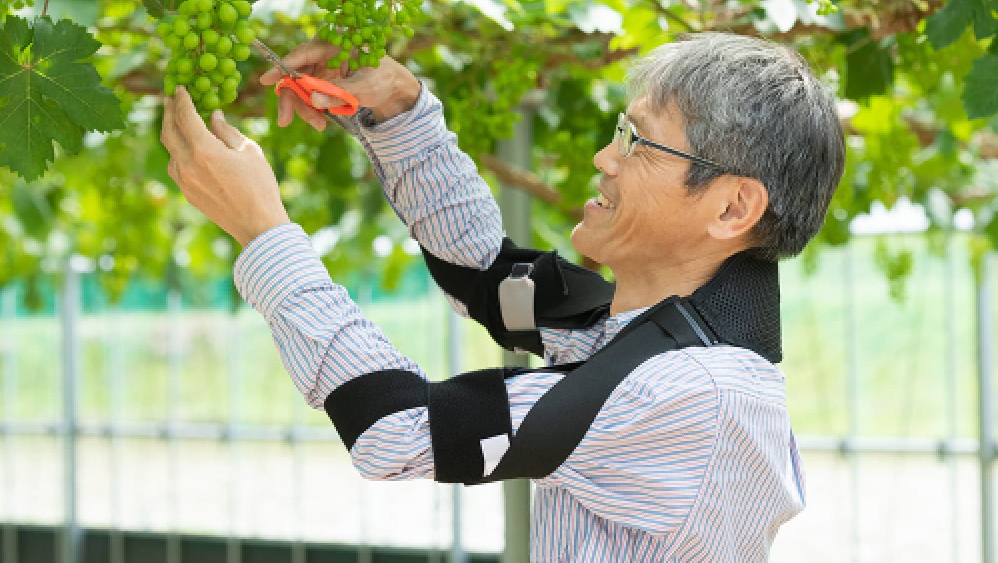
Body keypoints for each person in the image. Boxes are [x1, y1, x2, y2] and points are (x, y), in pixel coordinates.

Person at [160, 31, 845, 562]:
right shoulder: (654, 337)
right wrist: (400, 109)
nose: (606, 159)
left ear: (732, 209)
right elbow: (487, 277)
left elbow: (395, 429)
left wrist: (264, 233)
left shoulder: (690, 391)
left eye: (638, 143)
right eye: (619, 130)